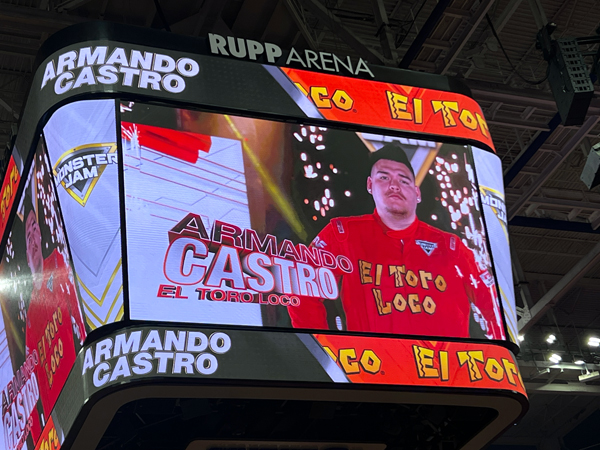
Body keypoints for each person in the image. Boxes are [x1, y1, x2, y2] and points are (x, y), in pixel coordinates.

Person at [288, 143, 504, 339]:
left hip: (449, 376)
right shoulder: (342, 233)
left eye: (403, 180)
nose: (394, 185)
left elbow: (493, 303)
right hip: (374, 373)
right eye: (384, 177)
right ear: (369, 185)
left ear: (417, 193)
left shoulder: (451, 246)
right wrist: (325, 349)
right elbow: (302, 289)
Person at [24, 197, 86, 417]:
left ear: (41, 235)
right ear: (25, 251)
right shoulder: (30, 316)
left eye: (34, 229)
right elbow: (33, 383)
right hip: (58, 412)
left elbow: (79, 314)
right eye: (27, 236)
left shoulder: (58, 262)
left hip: (78, 383)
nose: (32, 239)